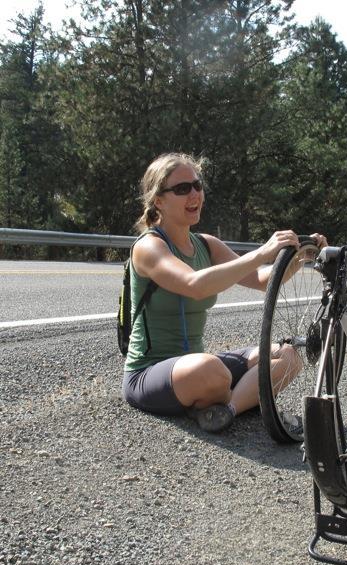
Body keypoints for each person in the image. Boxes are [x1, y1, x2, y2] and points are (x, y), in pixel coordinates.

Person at [122, 152, 327, 432]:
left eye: (197, 185)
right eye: (182, 189)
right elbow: (194, 285)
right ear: (158, 200)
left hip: (197, 367)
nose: (194, 194)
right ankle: (239, 396)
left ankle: (226, 409)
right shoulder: (149, 247)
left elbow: (261, 279)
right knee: (212, 372)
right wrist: (261, 252)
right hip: (149, 373)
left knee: (289, 355)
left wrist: (301, 256)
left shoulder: (206, 245)